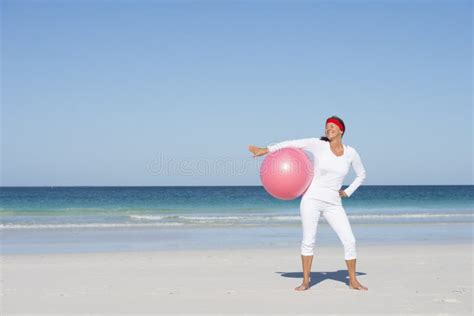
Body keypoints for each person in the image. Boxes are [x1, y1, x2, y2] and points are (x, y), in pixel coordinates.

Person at [248, 115, 368, 291]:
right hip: (312, 199)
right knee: (308, 241)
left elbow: (361, 174)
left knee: (349, 240)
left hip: (334, 203)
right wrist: (265, 150)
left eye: (332, 127)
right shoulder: (318, 144)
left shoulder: (351, 153)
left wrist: (348, 191)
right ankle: (306, 281)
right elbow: (291, 143)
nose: (328, 129)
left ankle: (353, 281)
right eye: (326, 127)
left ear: (341, 130)